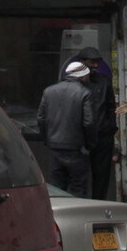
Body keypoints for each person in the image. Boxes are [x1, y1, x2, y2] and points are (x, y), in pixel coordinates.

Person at [35, 58, 97, 197]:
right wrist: (89, 144)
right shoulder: (85, 93)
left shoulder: (49, 91)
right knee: (78, 188)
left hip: (55, 148)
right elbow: (89, 122)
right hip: (76, 149)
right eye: (86, 75)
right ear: (81, 76)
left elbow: (41, 119)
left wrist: (47, 140)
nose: (88, 77)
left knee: (57, 189)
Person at [78, 47, 117, 200]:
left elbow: (110, 106)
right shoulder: (73, 82)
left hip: (102, 135)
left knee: (101, 175)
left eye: (97, 62)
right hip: (80, 137)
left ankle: (99, 203)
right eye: (91, 62)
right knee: (80, 175)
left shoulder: (104, 81)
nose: (95, 65)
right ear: (82, 62)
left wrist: (110, 128)